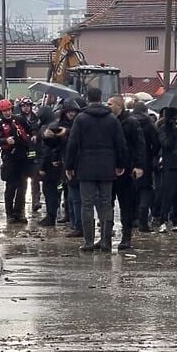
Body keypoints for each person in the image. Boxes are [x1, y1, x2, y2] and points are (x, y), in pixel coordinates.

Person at [65, 88, 127, 252]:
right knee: (106, 204)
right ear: (101, 99)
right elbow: (120, 144)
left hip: (85, 167)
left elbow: (72, 144)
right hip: (107, 167)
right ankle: (106, 242)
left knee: (87, 204)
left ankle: (88, 242)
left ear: (87, 99)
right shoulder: (112, 119)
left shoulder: (81, 119)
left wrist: (69, 166)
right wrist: (120, 164)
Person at [108, 96, 146, 250]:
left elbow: (139, 145)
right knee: (107, 204)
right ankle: (106, 235)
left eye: (110, 104)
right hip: (110, 168)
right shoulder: (109, 121)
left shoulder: (130, 122)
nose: (107, 106)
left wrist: (139, 165)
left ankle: (126, 237)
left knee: (126, 205)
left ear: (118, 105)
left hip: (127, 169)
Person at [39, 99, 77, 227]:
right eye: (70, 111)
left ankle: (73, 220)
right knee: (65, 191)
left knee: (71, 194)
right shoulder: (56, 124)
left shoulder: (79, 123)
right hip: (62, 163)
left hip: (74, 163)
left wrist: (66, 133)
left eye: (74, 111)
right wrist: (48, 137)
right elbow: (53, 146)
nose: (72, 114)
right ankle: (68, 217)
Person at [0, 98, 32, 224]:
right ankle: (9, 213)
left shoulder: (19, 120)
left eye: (8, 110)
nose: (7, 112)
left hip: (22, 157)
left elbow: (29, 130)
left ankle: (19, 212)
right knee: (11, 187)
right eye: (4, 110)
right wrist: (6, 141)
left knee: (23, 186)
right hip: (9, 158)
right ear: (1, 112)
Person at [156, 107, 177, 232]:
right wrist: (176, 133)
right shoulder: (164, 129)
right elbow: (166, 144)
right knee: (167, 194)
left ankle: (176, 220)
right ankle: (163, 220)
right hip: (169, 166)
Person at [132, 102, 160, 232]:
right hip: (145, 162)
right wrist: (151, 155)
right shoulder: (149, 125)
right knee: (145, 190)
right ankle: (143, 220)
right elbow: (156, 144)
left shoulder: (128, 122)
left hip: (129, 162)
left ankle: (131, 219)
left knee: (130, 191)